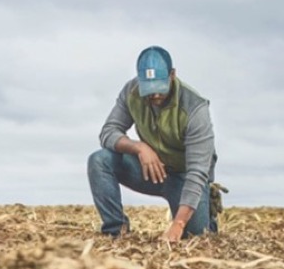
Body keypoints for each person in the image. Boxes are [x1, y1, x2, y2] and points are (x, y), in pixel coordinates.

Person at [87, 45, 218, 242]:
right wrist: (139, 147)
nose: (155, 95)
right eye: (149, 89)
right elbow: (108, 132)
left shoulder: (195, 108)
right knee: (99, 160)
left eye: (159, 88)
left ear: (172, 75)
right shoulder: (131, 92)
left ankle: (207, 210)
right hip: (153, 170)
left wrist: (178, 224)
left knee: (196, 237)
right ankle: (116, 232)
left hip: (186, 176)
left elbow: (198, 171)